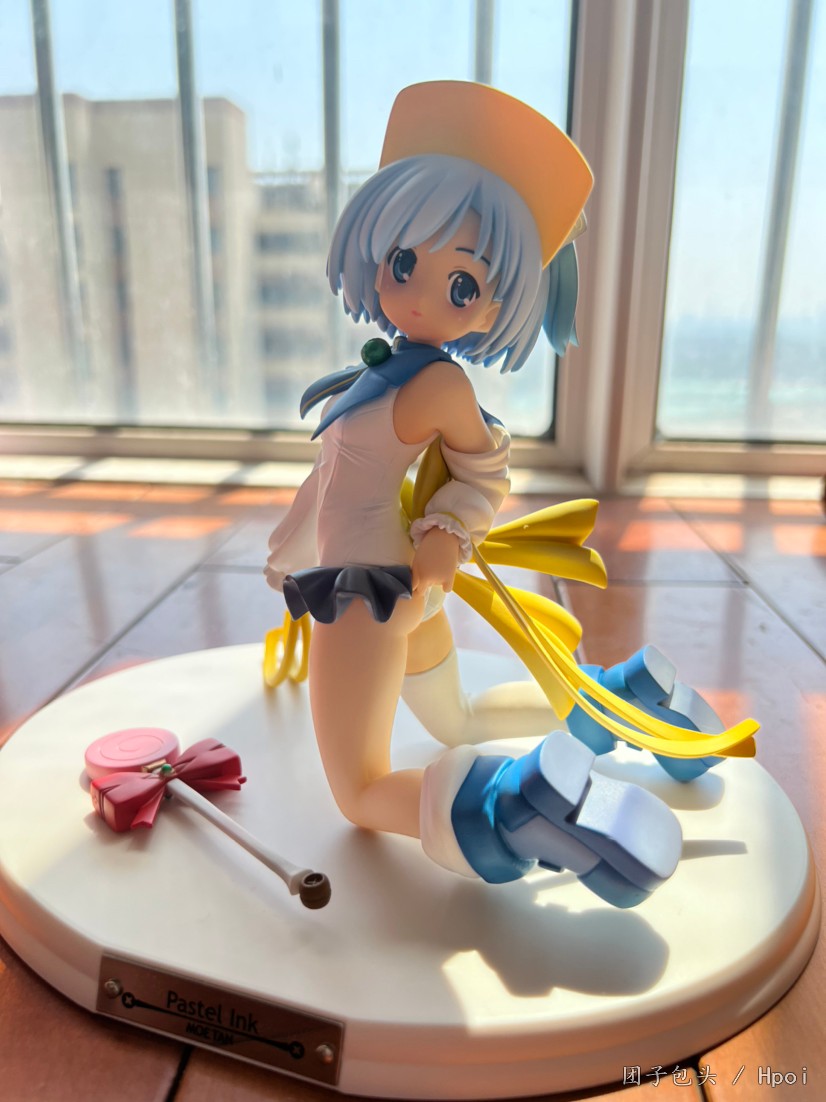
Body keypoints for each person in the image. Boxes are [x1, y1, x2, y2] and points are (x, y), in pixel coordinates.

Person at [264, 82, 755, 908]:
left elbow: (485, 468)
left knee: (360, 790)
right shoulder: (387, 376)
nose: (419, 294)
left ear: (494, 306)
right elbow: (333, 483)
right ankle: (620, 697)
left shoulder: (435, 386)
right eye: (404, 263)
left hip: (366, 600)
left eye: (462, 285)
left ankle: (511, 810)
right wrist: (294, 562)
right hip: (395, 592)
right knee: (455, 720)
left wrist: (446, 535)